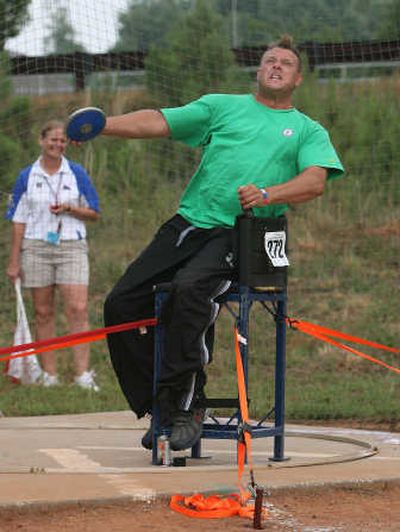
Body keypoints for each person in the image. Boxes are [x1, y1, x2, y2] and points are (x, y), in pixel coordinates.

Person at [102, 34, 345, 451]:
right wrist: (103, 125)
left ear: (298, 78)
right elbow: (159, 121)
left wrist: (270, 194)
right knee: (120, 302)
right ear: (258, 70)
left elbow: (315, 181)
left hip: (244, 231)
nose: (276, 66)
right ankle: (159, 404)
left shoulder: (307, 129)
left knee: (190, 289)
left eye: (285, 63)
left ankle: (186, 406)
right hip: (189, 222)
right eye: (269, 60)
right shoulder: (222, 106)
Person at [6, 120, 101, 391]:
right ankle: (50, 373)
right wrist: (14, 260)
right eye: (53, 139)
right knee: (43, 311)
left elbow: (94, 212)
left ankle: (83, 374)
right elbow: (18, 220)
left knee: (78, 309)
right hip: (35, 248)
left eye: (62, 141)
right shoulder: (27, 176)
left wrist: (72, 208)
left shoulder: (77, 173)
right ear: (41, 140)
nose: (57, 144)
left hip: (71, 245)